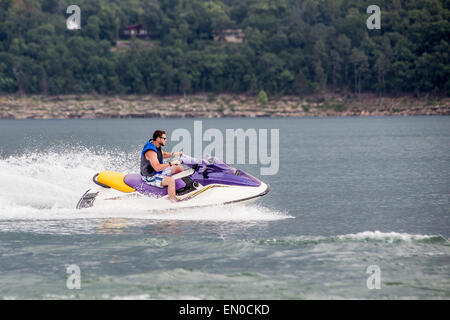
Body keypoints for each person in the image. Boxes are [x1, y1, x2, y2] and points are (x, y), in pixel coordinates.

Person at [140, 130, 183, 202]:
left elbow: (163, 154)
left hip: (158, 172)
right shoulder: (151, 152)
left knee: (179, 168)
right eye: (164, 138)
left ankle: (177, 189)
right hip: (150, 176)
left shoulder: (156, 145)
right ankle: (173, 202)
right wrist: (171, 163)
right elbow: (157, 167)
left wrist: (175, 154)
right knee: (170, 181)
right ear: (158, 139)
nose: (166, 140)